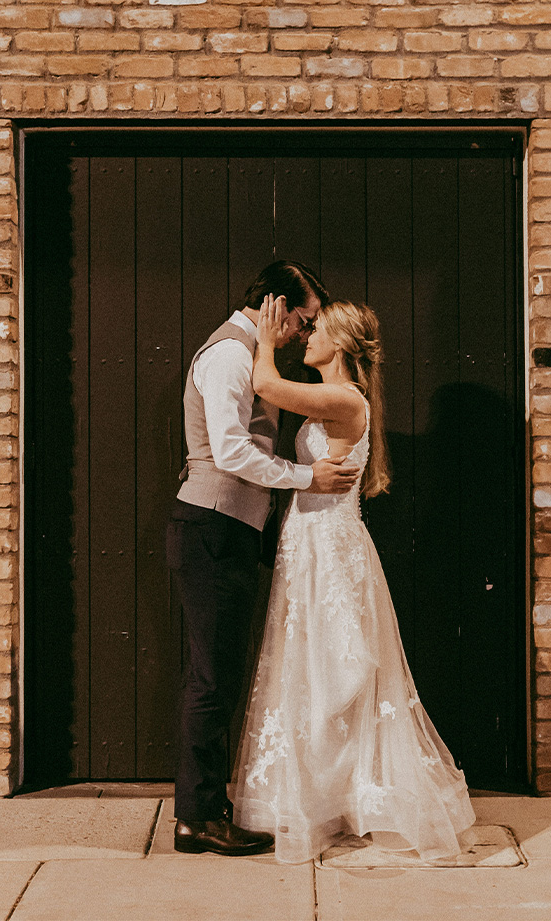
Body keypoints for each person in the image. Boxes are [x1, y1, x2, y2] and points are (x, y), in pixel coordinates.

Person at [232, 297, 476, 864]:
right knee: (311, 668)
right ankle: (327, 798)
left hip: (330, 550)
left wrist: (264, 338)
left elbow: (266, 385)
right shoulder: (334, 402)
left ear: (339, 345)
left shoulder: (344, 399)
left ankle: (343, 797)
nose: (306, 336)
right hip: (311, 541)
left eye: (315, 330)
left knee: (334, 670)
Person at [168, 262, 360, 857]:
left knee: (219, 673)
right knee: (211, 678)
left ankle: (205, 809)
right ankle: (196, 818)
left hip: (228, 529)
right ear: (277, 306)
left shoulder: (250, 355)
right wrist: (306, 476)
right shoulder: (228, 355)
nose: (305, 335)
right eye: (302, 320)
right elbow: (228, 450)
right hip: (212, 526)